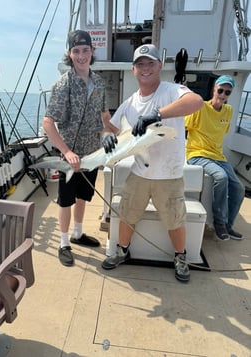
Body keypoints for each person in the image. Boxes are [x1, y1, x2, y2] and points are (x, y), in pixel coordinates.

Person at [100, 44, 203, 282]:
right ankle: (122, 251)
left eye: (150, 63)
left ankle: (180, 256)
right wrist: (106, 136)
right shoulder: (129, 103)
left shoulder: (172, 90)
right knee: (127, 214)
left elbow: (196, 102)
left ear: (160, 65)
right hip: (139, 172)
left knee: (174, 219)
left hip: (168, 173)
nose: (145, 68)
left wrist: (157, 115)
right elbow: (111, 128)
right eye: (140, 64)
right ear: (133, 69)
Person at [42, 30, 111, 266]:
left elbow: (104, 115)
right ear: (70, 55)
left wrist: (108, 135)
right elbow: (48, 123)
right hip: (70, 158)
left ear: (92, 51)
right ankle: (64, 242)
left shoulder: (100, 82)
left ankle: (78, 234)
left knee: (83, 196)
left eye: (85, 50)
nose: (81, 56)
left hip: (92, 155)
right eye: (76, 51)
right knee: (65, 201)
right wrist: (67, 151)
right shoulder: (63, 85)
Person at [185, 75, 245, 241]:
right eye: (220, 90)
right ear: (214, 90)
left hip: (218, 156)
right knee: (221, 177)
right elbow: (185, 126)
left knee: (239, 189)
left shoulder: (229, 111)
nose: (223, 94)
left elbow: (222, 133)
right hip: (197, 153)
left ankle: (228, 225)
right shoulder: (200, 108)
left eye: (227, 92)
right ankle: (219, 222)